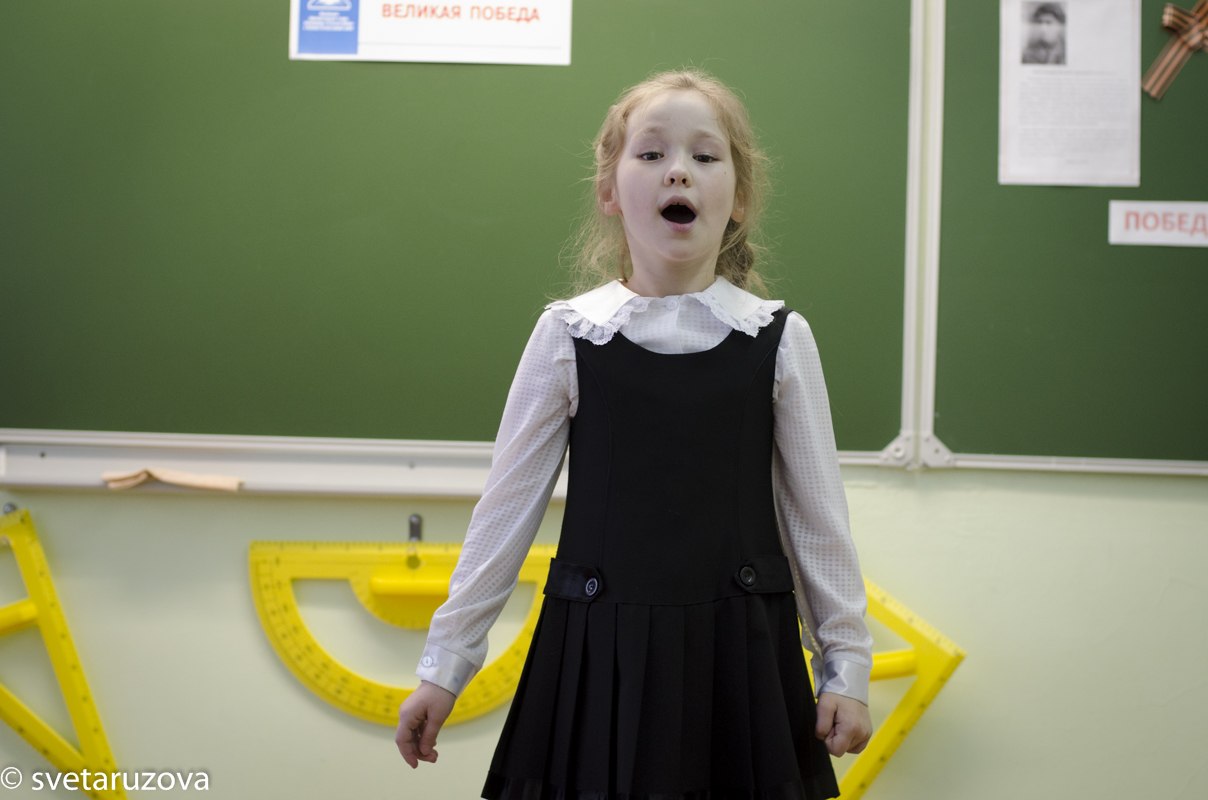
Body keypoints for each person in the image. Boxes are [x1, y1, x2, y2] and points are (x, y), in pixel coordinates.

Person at [396, 68, 873, 800]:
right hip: (597, 656)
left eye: (704, 156)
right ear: (609, 190)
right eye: (651, 154)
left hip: (741, 660)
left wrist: (845, 668)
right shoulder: (567, 335)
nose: (678, 170)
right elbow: (504, 515)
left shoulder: (779, 338)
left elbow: (818, 523)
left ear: (740, 196)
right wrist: (444, 667)